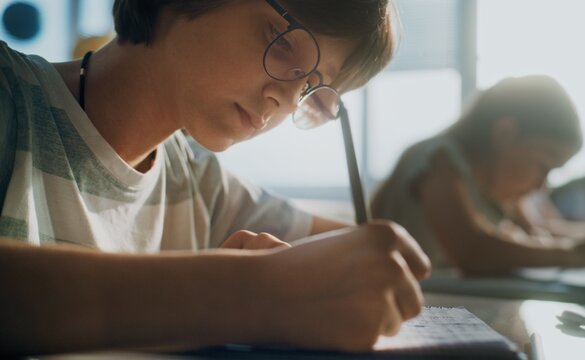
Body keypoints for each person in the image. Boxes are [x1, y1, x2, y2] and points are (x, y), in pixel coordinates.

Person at [0, 0, 431, 355]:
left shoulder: (200, 182)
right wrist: (252, 293)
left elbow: (360, 258)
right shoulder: (11, 97)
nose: (282, 98)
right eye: (284, 44)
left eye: (310, 87)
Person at [371, 75, 585, 275]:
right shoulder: (439, 159)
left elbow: (536, 234)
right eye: (544, 166)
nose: (542, 185)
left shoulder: (497, 190)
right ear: (505, 133)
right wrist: (571, 254)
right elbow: (472, 251)